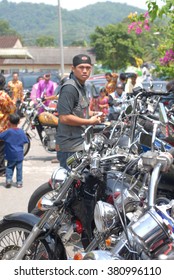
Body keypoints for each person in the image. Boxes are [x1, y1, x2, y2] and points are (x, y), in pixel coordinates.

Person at [56, 54, 104, 170]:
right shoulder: (69, 88)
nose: (85, 71)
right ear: (73, 69)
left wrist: (94, 114)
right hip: (71, 147)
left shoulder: (82, 86)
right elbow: (64, 117)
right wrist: (89, 121)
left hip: (80, 143)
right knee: (70, 184)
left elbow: (79, 110)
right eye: (81, 67)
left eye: (88, 68)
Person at [0, 113, 29, 188]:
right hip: (19, 154)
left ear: (9, 122)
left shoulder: (8, 132)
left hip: (10, 154)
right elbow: (26, 141)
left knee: (9, 167)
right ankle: (19, 182)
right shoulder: (21, 132)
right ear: (19, 122)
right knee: (19, 169)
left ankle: (8, 180)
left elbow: (1, 136)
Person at [0, 74, 16, 177]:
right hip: (2, 126)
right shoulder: (3, 95)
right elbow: (12, 109)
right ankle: (1, 170)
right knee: (1, 149)